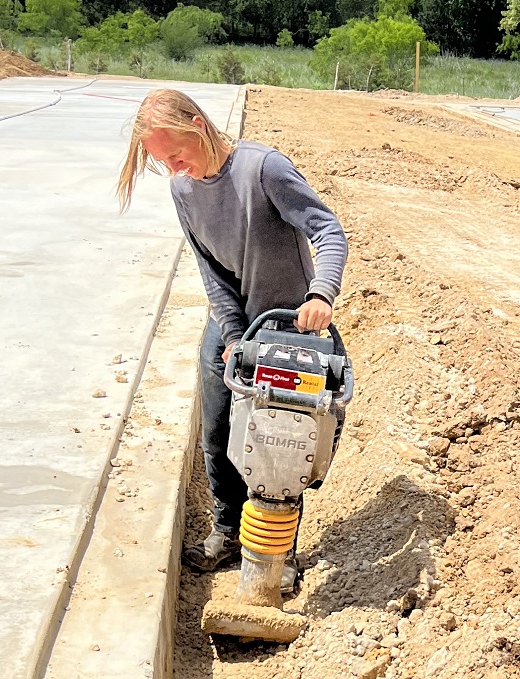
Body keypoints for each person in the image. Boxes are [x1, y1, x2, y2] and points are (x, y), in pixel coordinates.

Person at [117, 86, 348, 573]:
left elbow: (327, 230)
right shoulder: (183, 191)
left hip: (289, 324)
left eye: (176, 155)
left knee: (284, 436)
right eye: (165, 163)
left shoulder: (263, 170)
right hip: (236, 323)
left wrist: (320, 293)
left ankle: (278, 551)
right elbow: (212, 274)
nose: (176, 169)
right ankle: (227, 530)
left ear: (198, 125)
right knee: (220, 429)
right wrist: (232, 338)